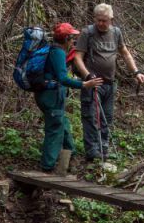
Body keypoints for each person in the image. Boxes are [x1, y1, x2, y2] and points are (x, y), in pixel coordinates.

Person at [72, 3, 144, 162]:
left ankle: (103, 148)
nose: (101, 23)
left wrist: (136, 72)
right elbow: (77, 57)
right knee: (90, 117)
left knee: (107, 117)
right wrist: (87, 76)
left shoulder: (116, 33)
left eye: (104, 21)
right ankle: (92, 152)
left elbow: (125, 53)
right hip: (93, 83)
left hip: (109, 83)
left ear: (111, 20)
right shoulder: (88, 33)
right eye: (98, 20)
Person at [35, 22, 103, 172]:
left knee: (63, 125)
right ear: (66, 39)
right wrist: (85, 84)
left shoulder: (51, 49)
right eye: (71, 38)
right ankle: (47, 167)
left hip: (46, 95)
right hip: (51, 97)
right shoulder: (58, 53)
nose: (73, 41)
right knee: (54, 131)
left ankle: (70, 154)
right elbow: (62, 78)